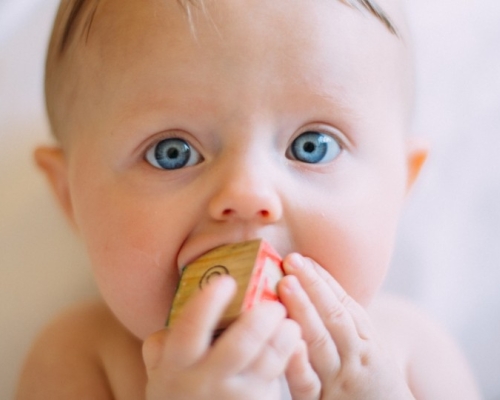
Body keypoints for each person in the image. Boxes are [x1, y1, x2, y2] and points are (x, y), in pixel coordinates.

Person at [16, 0, 481, 398]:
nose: (247, 194)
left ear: (401, 185)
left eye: (312, 145)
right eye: (171, 153)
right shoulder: (80, 358)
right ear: (70, 197)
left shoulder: (414, 354)